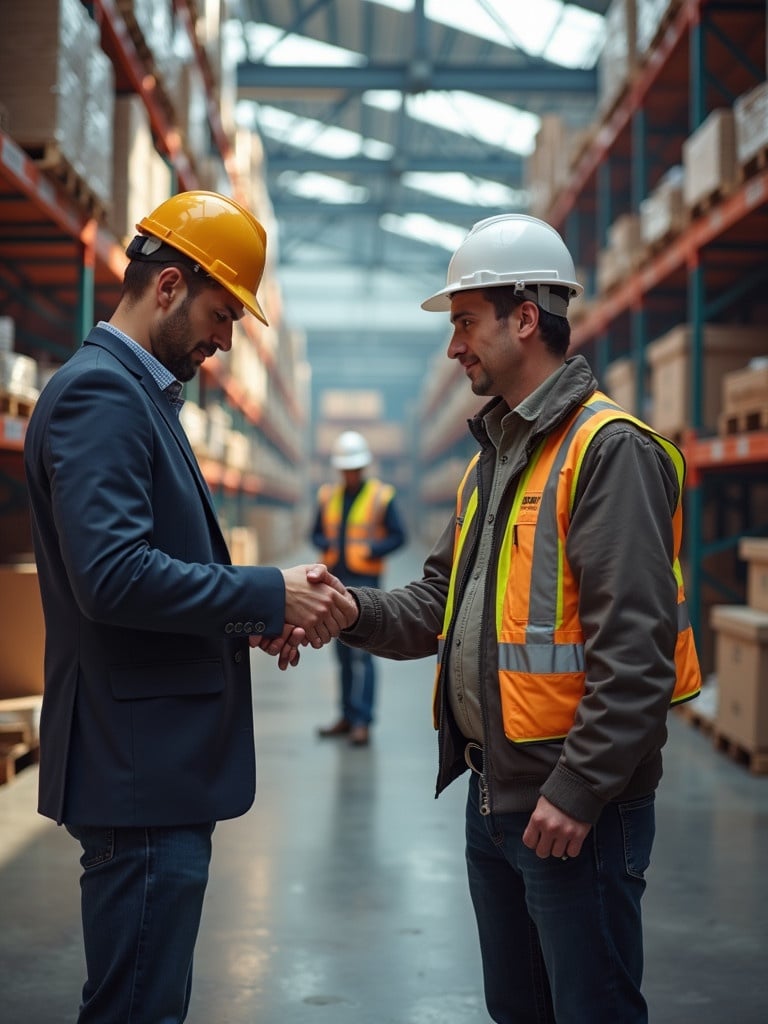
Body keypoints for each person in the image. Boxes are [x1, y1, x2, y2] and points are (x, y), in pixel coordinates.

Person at [267, 213, 703, 1022]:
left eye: (466, 322)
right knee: (519, 1010)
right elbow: (439, 602)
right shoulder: (493, 461)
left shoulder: (607, 452)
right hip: (496, 798)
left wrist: (577, 791)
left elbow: (637, 655)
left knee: (592, 1009)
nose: (453, 347)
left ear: (526, 318)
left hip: (577, 812)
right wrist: (343, 608)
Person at [23, 190, 358, 1024]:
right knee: (137, 1007)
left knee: (147, 998)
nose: (224, 339)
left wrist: (253, 617)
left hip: (150, 764)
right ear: (167, 286)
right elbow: (115, 577)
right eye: (220, 314)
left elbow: (149, 573)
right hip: (138, 769)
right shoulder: (102, 396)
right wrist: (262, 591)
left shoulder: (140, 396)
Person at [310, 429, 407, 746]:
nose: (349, 474)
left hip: (367, 583)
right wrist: (325, 545)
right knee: (340, 651)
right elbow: (314, 533)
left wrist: (374, 551)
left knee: (364, 654)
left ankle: (363, 721)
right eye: (345, 469)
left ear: (362, 467)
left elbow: (399, 536)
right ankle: (347, 716)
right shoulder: (329, 496)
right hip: (335, 581)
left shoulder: (382, 495)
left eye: (353, 469)